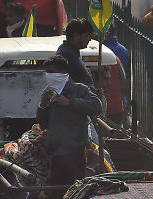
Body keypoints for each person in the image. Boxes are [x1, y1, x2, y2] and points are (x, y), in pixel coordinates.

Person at [37, 55, 103, 186]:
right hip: (55, 154)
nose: (48, 76)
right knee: (56, 194)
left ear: (62, 72)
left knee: (74, 190)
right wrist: (42, 106)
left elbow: (96, 106)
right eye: (47, 72)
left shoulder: (79, 89)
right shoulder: (49, 92)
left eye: (52, 72)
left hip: (75, 153)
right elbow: (43, 124)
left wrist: (70, 103)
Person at [57, 18, 94, 84]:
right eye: (87, 35)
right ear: (76, 36)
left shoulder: (71, 52)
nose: (90, 39)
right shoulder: (68, 54)